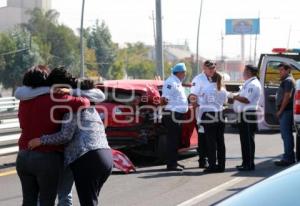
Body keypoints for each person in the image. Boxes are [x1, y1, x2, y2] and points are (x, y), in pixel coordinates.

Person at [15, 68, 106, 206]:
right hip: (46, 157)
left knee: (28, 201)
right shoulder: (56, 97)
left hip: (23, 155)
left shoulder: (23, 100)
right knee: (48, 200)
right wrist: (70, 92)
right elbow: (84, 103)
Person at [230, 65, 262, 171]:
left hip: (248, 114)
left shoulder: (252, 84)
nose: (243, 72)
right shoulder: (248, 83)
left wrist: (233, 96)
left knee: (248, 140)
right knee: (244, 140)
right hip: (244, 114)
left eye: (244, 70)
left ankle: (249, 164)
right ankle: (245, 162)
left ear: (249, 72)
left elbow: (246, 99)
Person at [189, 60, 217, 168]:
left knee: (210, 137)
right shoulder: (198, 79)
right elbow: (192, 95)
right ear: (204, 68)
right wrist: (196, 108)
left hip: (212, 111)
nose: (211, 70)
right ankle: (202, 159)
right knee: (202, 136)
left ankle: (210, 158)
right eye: (209, 68)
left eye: (213, 68)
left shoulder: (214, 78)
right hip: (202, 112)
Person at [161, 63, 189, 171]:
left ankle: (174, 161)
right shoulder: (171, 82)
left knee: (175, 140)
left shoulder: (177, 82)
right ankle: (171, 164)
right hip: (172, 114)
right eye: (184, 72)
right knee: (172, 140)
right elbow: (164, 99)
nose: (185, 74)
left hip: (177, 114)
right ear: (180, 72)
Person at [274, 63, 296, 166]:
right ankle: (289, 157)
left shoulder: (288, 81)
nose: (280, 72)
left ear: (288, 70)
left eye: (282, 70)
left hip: (286, 111)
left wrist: (280, 110)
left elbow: (287, 96)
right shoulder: (287, 80)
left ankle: (288, 158)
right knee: (286, 135)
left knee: (286, 135)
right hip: (286, 111)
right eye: (279, 70)